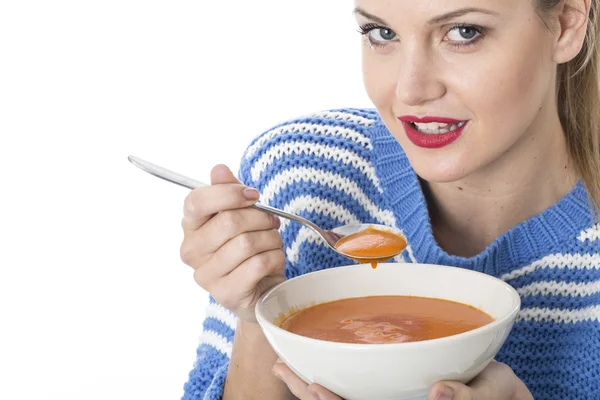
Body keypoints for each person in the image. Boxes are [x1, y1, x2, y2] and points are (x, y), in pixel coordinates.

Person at [179, 0, 600, 399]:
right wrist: (264, 319)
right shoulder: (300, 177)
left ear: (566, 24)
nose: (411, 90)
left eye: (464, 32)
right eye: (381, 32)